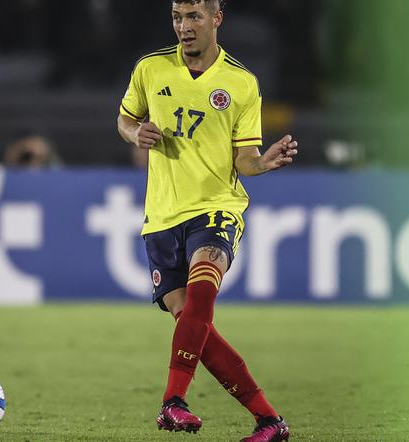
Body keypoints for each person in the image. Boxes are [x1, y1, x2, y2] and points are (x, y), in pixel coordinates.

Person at [116, 1, 297, 441]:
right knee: (191, 321)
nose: (184, 27)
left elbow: (245, 159)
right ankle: (269, 420)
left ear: (217, 18)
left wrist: (264, 163)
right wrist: (134, 133)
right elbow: (125, 118)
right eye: (178, 17)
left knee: (201, 289)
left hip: (216, 207)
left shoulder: (240, 83)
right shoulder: (151, 69)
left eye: (194, 16)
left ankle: (172, 402)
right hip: (161, 215)